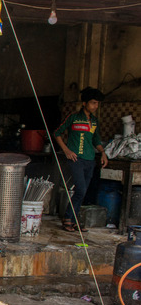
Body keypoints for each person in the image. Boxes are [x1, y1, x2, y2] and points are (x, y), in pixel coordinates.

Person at [54, 87, 108, 232]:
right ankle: (68, 218)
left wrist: (103, 153)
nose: (95, 106)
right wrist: (66, 150)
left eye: (97, 103)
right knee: (81, 190)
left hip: (90, 159)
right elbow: (57, 133)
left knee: (83, 191)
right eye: (93, 103)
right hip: (76, 159)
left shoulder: (94, 121)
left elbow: (96, 140)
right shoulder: (73, 117)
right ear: (84, 103)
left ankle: (73, 220)